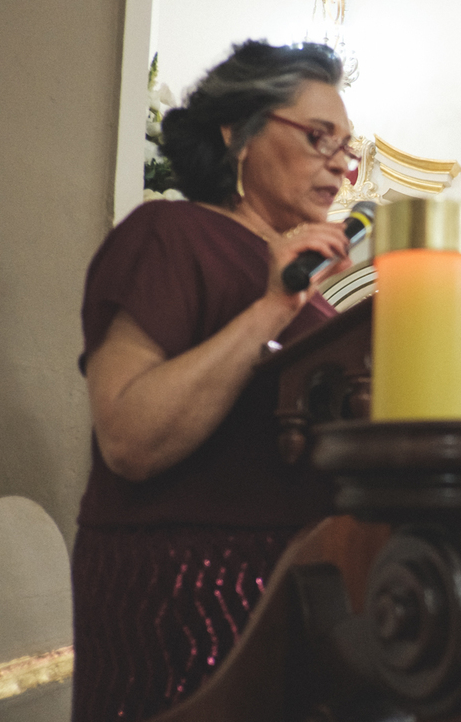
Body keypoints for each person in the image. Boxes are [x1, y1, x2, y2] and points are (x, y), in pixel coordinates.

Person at [72, 40, 362, 721]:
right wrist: (269, 308)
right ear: (237, 132)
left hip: (298, 584)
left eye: (346, 147)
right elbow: (128, 437)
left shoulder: (315, 295)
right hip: (186, 583)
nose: (341, 166)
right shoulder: (168, 234)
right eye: (319, 137)